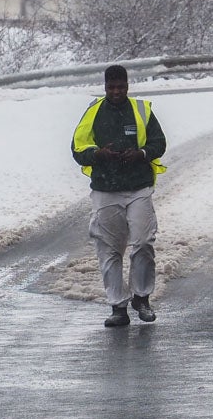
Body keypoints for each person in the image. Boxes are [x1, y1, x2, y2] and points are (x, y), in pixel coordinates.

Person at [70, 64, 167, 327]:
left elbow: (159, 143)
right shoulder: (93, 112)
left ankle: (142, 298)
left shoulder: (141, 110)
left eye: (121, 87)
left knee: (144, 241)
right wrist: (98, 154)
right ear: (105, 87)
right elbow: (78, 148)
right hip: (105, 189)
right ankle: (118, 307)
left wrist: (142, 154)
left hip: (138, 187)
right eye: (111, 87)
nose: (116, 91)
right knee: (109, 249)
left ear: (127, 85)